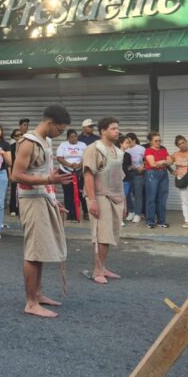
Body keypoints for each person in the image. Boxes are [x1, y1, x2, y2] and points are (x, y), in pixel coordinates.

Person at [11, 105, 74, 318]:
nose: (61, 134)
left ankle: (37, 294)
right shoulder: (28, 142)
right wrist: (48, 180)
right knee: (34, 251)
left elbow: (45, 172)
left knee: (41, 251)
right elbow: (16, 175)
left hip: (43, 199)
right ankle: (30, 302)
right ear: (50, 123)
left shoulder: (46, 141)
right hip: (31, 201)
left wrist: (54, 199)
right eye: (60, 130)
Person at [83, 117, 125, 284]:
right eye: (113, 128)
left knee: (111, 234)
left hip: (116, 197)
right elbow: (88, 174)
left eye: (117, 128)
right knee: (101, 234)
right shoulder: (93, 149)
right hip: (100, 196)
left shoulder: (118, 151)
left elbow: (120, 177)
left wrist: (125, 200)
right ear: (103, 131)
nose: (117, 131)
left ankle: (103, 267)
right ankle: (97, 270)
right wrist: (92, 200)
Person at [56, 129, 88, 222]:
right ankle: (71, 215)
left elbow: (86, 157)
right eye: (71, 137)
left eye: (75, 136)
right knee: (68, 193)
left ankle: (85, 212)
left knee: (81, 193)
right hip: (66, 172)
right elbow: (59, 158)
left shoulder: (82, 145)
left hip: (79, 172)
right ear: (67, 138)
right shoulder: (63, 145)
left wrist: (79, 165)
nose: (74, 138)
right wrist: (70, 165)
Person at [143, 132, 172, 228]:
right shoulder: (148, 150)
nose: (158, 142)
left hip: (163, 174)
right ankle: (150, 221)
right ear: (150, 141)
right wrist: (164, 161)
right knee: (151, 198)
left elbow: (170, 161)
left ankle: (161, 221)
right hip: (152, 174)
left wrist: (162, 162)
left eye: (160, 140)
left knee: (162, 198)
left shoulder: (163, 149)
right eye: (156, 141)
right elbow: (152, 164)